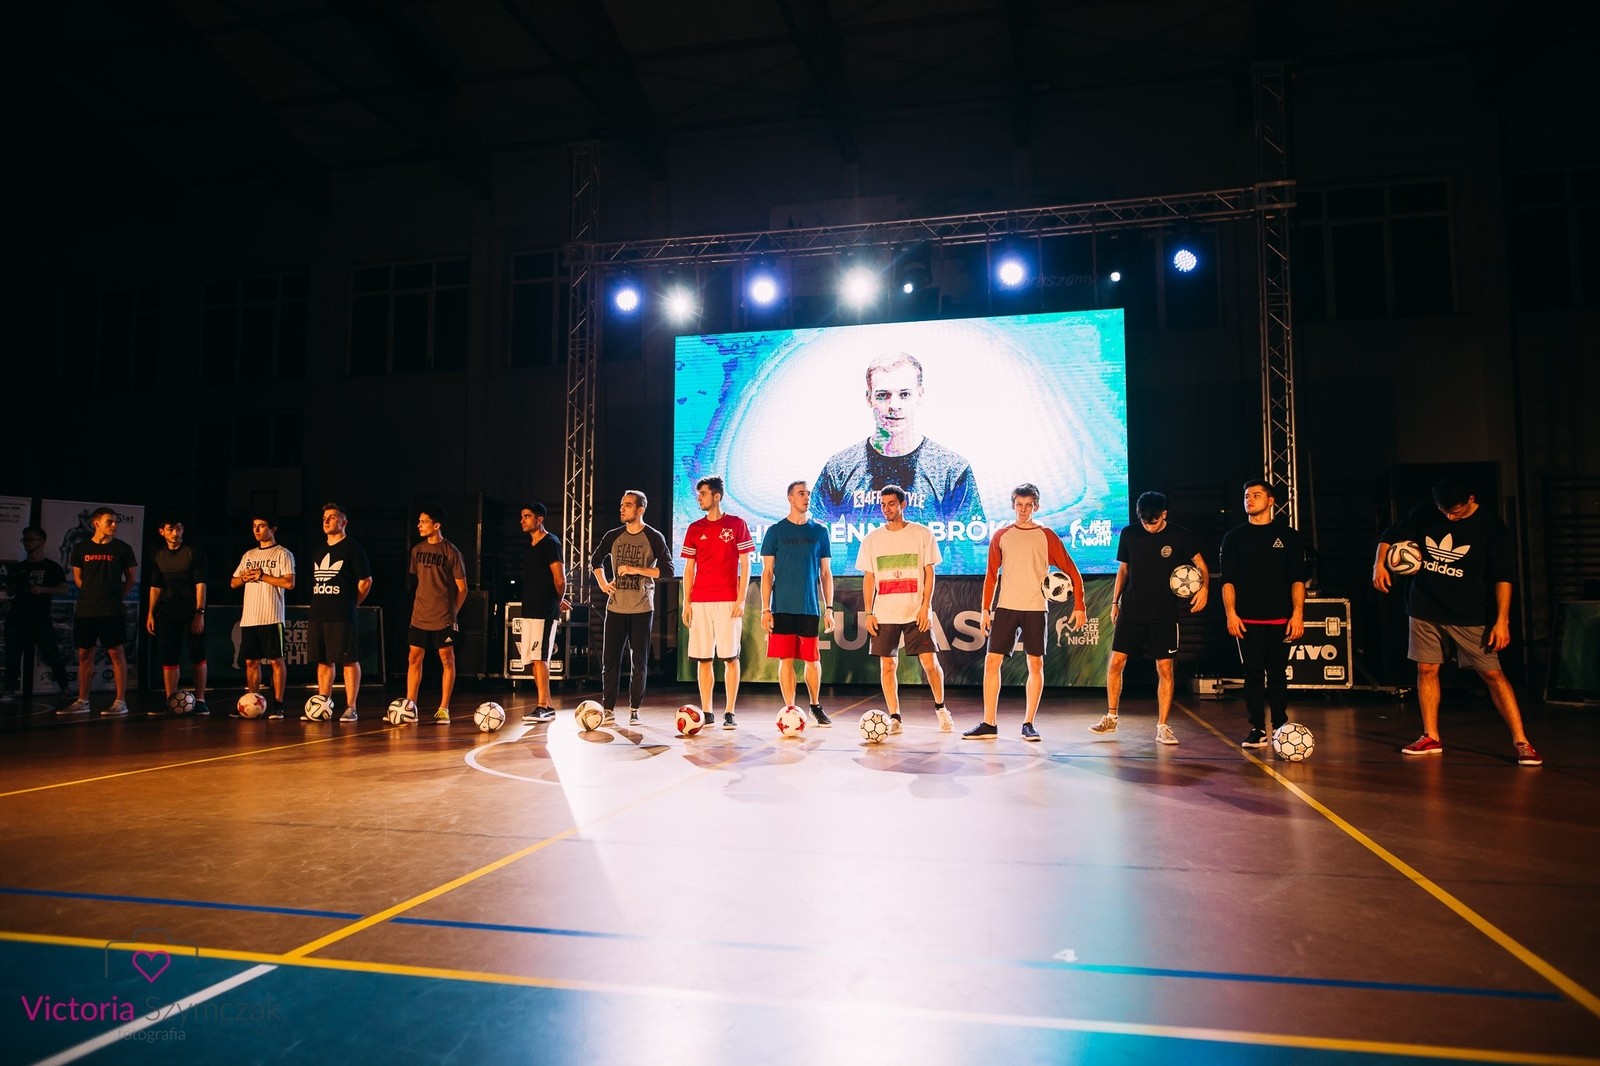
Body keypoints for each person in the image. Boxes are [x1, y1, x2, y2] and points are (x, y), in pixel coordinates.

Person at [1374, 476, 1541, 765]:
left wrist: (1502, 621)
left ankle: (1522, 741)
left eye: (1456, 512)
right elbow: (1389, 535)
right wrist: (1379, 564)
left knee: (1492, 674)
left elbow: (1503, 577)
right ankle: (1430, 736)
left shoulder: (1491, 527)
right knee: (1426, 669)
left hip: (1469, 613)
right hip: (1424, 606)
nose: (1450, 517)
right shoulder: (1426, 512)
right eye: (1445, 512)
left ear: (1471, 499)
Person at [963, 483, 1085, 741]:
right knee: (992, 662)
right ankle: (989, 723)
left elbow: (1073, 572)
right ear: (1013, 505)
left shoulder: (1047, 536)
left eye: (1028, 505)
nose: (1023, 510)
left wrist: (1080, 606)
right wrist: (985, 610)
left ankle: (1029, 723)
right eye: (1019, 505)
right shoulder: (1001, 535)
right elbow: (991, 576)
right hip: (1006, 607)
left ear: (1036, 507)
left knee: (1035, 663)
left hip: (1035, 608)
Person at [811, 352, 982, 535]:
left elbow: (968, 547)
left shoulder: (951, 469)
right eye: (883, 395)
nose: (894, 405)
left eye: (904, 394)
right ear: (869, 398)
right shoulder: (839, 467)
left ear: (920, 395)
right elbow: (814, 539)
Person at [1093, 491, 1209, 745]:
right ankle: (1111, 717)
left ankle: (1163, 727)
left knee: (1165, 668)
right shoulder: (1129, 533)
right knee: (1116, 663)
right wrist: (1114, 602)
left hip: (1164, 612)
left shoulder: (1180, 534)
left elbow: (1200, 564)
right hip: (1132, 609)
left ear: (1164, 514)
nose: (1149, 526)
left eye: (1153, 522)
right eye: (1145, 522)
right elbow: (1123, 569)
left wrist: (1204, 589)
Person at [856, 484, 951, 733]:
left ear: (903, 505)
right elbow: (869, 578)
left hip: (915, 612)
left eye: (891, 504)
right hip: (884, 614)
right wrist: (869, 612)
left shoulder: (922, 534)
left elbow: (929, 573)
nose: (886, 509)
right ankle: (895, 717)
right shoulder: (872, 539)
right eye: (883, 504)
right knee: (888, 666)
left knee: (930, 664)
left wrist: (925, 607)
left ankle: (941, 709)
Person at [1219, 480, 1306, 748]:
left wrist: (1298, 614)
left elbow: (1297, 579)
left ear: (1270, 501)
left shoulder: (1289, 536)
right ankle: (1257, 728)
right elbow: (1228, 581)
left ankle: (1280, 726)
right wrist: (1231, 614)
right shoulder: (1233, 537)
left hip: (1281, 617)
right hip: (1246, 620)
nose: (1249, 499)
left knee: (1278, 673)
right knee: (1253, 674)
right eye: (1246, 495)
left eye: (1256, 495)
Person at [680, 476, 754, 730]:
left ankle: (730, 711)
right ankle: (707, 711)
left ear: (717, 496)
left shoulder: (736, 524)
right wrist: (686, 602)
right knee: (704, 659)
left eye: (703, 494)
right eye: (698, 494)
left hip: (728, 600)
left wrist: (741, 598)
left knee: (730, 657)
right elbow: (689, 569)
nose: (699, 498)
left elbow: (746, 564)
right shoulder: (694, 528)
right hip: (700, 601)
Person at [761, 481, 836, 727]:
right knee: (786, 660)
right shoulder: (775, 531)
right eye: (801, 493)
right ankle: (790, 708)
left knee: (812, 660)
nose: (806, 497)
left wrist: (829, 608)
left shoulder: (820, 532)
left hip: (809, 608)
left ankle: (815, 705)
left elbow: (826, 573)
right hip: (782, 608)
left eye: (808, 493)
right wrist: (765, 609)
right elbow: (767, 573)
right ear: (790, 498)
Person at [592, 490, 669, 726]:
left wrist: (636, 570)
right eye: (621, 505)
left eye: (627, 505)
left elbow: (667, 570)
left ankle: (634, 709)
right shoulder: (613, 535)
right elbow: (595, 560)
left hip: (642, 608)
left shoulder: (653, 537)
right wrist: (603, 583)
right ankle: (608, 708)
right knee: (610, 661)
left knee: (639, 662)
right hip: (616, 608)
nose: (622, 509)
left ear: (640, 509)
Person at [57, 507, 138, 717]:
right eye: (109, 521)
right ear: (96, 523)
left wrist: (117, 597)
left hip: (111, 609)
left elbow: (131, 579)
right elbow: (78, 579)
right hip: (86, 609)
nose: (114, 525)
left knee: (116, 653)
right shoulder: (81, 548)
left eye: (116, 521)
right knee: (85, 654)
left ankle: (120, 701)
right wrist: (92, 593)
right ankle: (83, 700)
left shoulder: (122, 548)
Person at [306, 503, 373, 723]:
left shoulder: (353, 548)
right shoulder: (318, 550)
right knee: (323, 661)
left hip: (342, 614)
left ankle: (351, 707)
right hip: (318, 613)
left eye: (332, 517)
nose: (326, 521)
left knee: (348, 660)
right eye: (324, 517)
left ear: (344, 522)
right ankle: (323, 705)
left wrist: (352, 603)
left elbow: (366, 581)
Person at [407, 505, 468, 724]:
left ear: (436, 525)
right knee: (414, 658)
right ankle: (410, 706)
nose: (419, 525)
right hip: (420, 615)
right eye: (419, 521)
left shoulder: (451, 552)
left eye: (423, 522)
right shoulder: (417, 550)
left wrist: (453, 613)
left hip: (443, 617)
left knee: (447, 659)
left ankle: (443, 708)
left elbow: (463, 588)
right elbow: (418, 581)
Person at [230, 514, 295, 719]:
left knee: (276, 661)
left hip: (271, 615)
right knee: (251, 662)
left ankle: (278, 704)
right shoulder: (249, 555)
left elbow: (289, 583)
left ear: (273, 529)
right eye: (254, 526)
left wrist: (262, 576)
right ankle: (253, 703)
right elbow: (233, 582)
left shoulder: (283, 553)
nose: (257, 530)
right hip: (250, 616)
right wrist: (244, 577)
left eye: (261, 526)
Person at [145, 517, 210, 716]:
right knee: (170, 656)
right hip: (168, 611)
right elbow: (155, 587)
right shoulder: (158, 555)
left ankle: (201, 700)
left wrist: (199, 613)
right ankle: (170, 701)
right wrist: (151, 613)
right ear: (162, 532)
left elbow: (201, 585)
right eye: (171, 529)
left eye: (179, 528)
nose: (175, 533)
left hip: (191, 610)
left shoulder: (193, 552)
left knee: (197, 654)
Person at [2, 526, 70, 704]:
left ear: (42, 541)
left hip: (39, 617)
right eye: (24, 540)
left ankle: (65, 688)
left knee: (51, 653)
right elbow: (9, 591)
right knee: (12, 654)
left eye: (31, 540)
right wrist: (13, 587)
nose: (27, 543)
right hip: (17, 617)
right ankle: (9, 689)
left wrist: (42, 590)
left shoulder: (51, 567)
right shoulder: (19, 568)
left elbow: (63, 588)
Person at [515, 503, 567, 725]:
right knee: (533, 660)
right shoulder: (529, 546)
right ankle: (546, 705)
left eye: (527, 516)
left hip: (544, 611)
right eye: (522, 516)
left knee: (540, 658)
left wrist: (557, 601)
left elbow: (560, 579)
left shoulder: (551, 543)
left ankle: (544, 706)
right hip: (529, 610)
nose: (522, 520)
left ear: (539, 520)